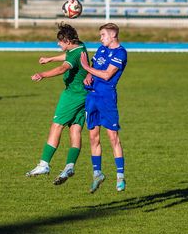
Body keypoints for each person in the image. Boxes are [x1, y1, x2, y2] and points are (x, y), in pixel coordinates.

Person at [26, 23, 88, 186]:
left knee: (56, 126)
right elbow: (68, 56)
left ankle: (44, 164)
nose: (58, 44)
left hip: (72, 95)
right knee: (75, 128)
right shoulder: (80, 46)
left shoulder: (74, 55)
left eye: (60, 42)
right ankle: (69, 166)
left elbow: (63, 68)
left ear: (67, 41)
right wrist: (50, 58)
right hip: (85, 94)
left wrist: (42, 74)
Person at [79, 23, 127, 193]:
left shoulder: (120, 53)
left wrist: (86, 67)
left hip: (106, 98)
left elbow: (107, 74)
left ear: (113, 35)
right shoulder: (100, 49)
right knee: (93, 137)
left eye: (103, 35)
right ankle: (97, 173)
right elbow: (94, 69)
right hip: (92, 97)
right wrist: (88, 75)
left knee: (113, 137)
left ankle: (120, 176)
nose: (101, 38)